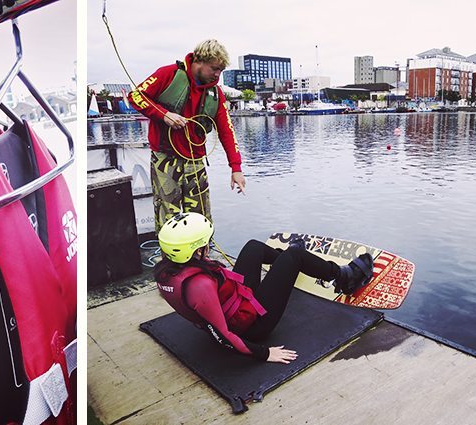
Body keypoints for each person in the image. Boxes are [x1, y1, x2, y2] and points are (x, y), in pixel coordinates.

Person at [154, 213, 374, 363]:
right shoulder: (199, 287)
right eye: (205, 244)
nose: (208, 246)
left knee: (253, 247)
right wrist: (265, 353)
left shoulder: (167, 273)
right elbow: (223, 336)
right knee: (295, 255)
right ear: (193, 251)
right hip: (252, 327)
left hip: (237, 304)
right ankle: (345, 279)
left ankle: (288, 262)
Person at [129, 39, 245, 233]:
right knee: (168, 217)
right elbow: (135, 96)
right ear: (198, 61)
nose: (217, 75)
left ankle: (202, 260)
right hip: (164, 159)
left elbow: (227, 131)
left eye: (221, 70)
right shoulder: (167, 74)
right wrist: (164, 115)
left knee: (201, 217)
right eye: (214, 69)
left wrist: (236, 168)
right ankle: (170, 262)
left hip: (196, 161)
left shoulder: (215, 93)